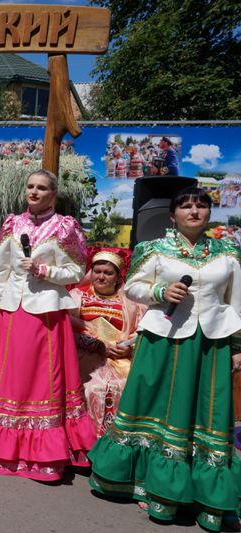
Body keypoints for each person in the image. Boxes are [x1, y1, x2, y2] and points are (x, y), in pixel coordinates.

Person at [88, 187, 241, 531]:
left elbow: (237, 301)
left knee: (207, 413)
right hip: (162, 339)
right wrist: (160, 291)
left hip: (210, 345)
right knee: (152, 406)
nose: (194, 211)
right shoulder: (154, 249)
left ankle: (205, 495)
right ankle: (143, 482)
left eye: (201, 206)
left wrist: (237, 345)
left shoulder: (228, 253)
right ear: (172, 216)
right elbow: (133, 287)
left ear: (209, 214)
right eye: (185, 206)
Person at [0, 169, 96, 481]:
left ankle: (45, 455)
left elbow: (77, 270)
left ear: (54, 194)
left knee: (44, 382)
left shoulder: (65, 226)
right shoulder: (13, 224)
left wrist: (44, 271)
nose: (34, 192)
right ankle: (6, 449)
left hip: (47, 314)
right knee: (12, 380)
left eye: (41, 188)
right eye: (30, 186)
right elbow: (0, 272)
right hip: (14, 312)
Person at [69, 247, 143, 437]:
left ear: (118, 277)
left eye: (108, 273)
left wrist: (129, 348)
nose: (101, 277)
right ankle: (84, 441)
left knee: (127, 385)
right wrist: (96, 345)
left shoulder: (132, 303)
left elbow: (142, 332)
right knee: (93, 388)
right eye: (97, 271)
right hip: (83, 355)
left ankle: (117, 443)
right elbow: (65, 330)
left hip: (121, 358)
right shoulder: (77, 296)